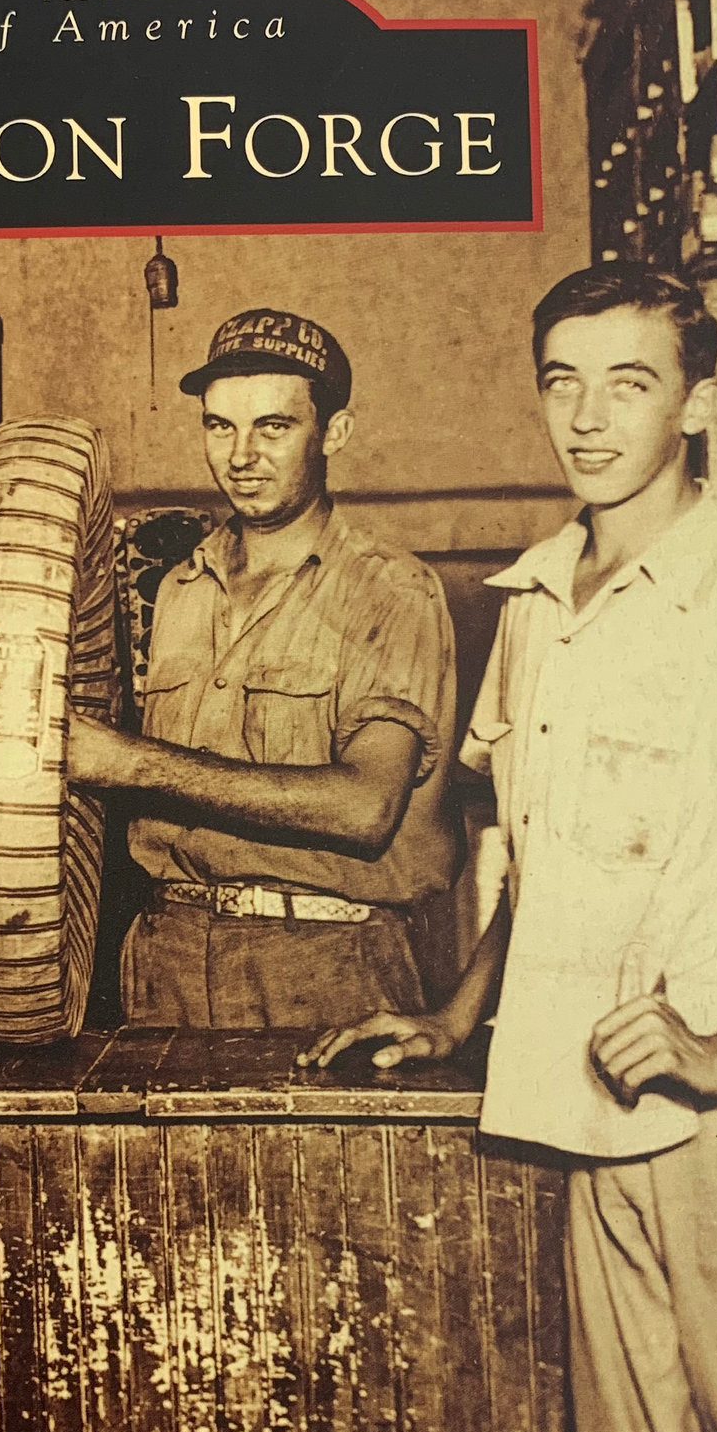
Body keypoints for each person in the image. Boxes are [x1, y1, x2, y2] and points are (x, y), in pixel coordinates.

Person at [302, 266, 717, 1432]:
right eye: (563, 380)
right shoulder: (532, 602)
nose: (588, 417)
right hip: (587, 1106)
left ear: (699, 402)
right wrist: (456, 1015)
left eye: (630, 382)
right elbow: (535, 859)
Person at [67, 307, 460, 1031]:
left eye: (273, 426)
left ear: (333, 433)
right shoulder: (180, 588)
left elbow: (365, 809)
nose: (241, 455)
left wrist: (127, 762)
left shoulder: (390, 591)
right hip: (165, 956)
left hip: (327, 960)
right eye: (220, 426)